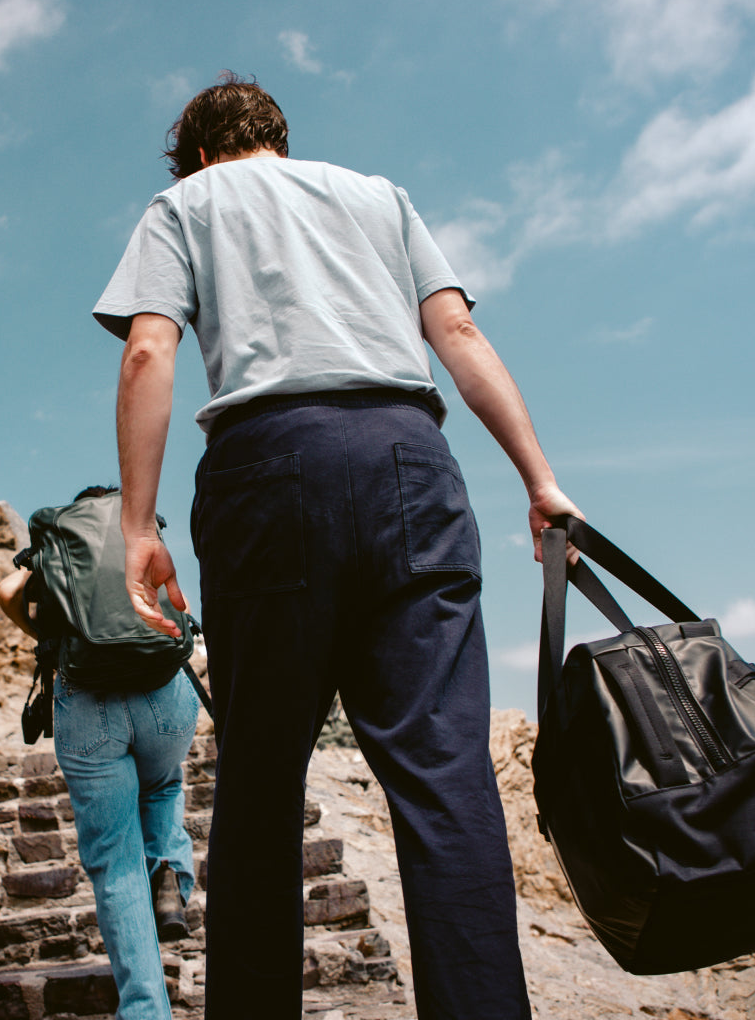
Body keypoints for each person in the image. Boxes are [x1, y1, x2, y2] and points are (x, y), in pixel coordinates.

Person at [91, 73, 582, 1020]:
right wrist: (539, 481)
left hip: (268, 470)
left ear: (195, 152)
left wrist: (139, 527)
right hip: (411, 459)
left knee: (264, 779)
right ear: (278, 136)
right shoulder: (379, 195)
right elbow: (458, 331)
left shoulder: (185, 202)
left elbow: (150, 349)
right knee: (447, 777)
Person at [0, 484, 199, 1020]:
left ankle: (144, 1010)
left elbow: (4, 589)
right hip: (163, 695)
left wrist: (44, 635)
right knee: (164, 782)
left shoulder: (57, 550)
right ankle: (172, 874)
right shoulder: (137, 532)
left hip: (87, 704)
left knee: (115, 863)